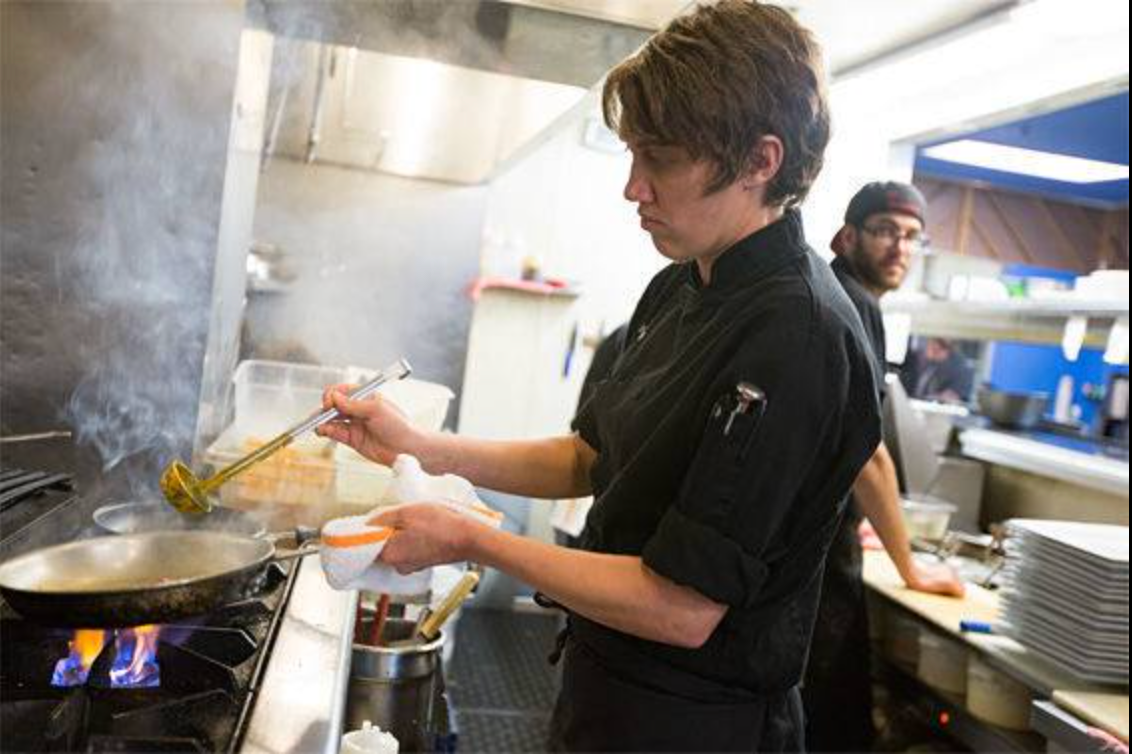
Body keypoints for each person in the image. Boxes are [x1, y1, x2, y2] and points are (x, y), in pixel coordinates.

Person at [319, 2, 880, 750]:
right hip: (605, 683)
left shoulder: (799, 338)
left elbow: (681, 608)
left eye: (661, 159)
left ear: (760, 161)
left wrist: (472, 541)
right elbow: (591, 457)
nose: (633, 189)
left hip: (696, 725)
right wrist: (422, 447)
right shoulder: (685, 283)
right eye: (632, 155)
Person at [806, 182, 965, 752]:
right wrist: (911, 567)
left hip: (800, 552)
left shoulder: (823, 290)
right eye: (885, 231)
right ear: (846, 237)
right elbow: (867, 456)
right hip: (818, 564)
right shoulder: (858, 304)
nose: (900, 247)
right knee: (834, 726)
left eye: (913, 237)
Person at [903, 337, 975, 404]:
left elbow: (952, 397)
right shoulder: (930, 362)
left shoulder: (961, 368)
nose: (927, 349)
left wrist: (932, 398)